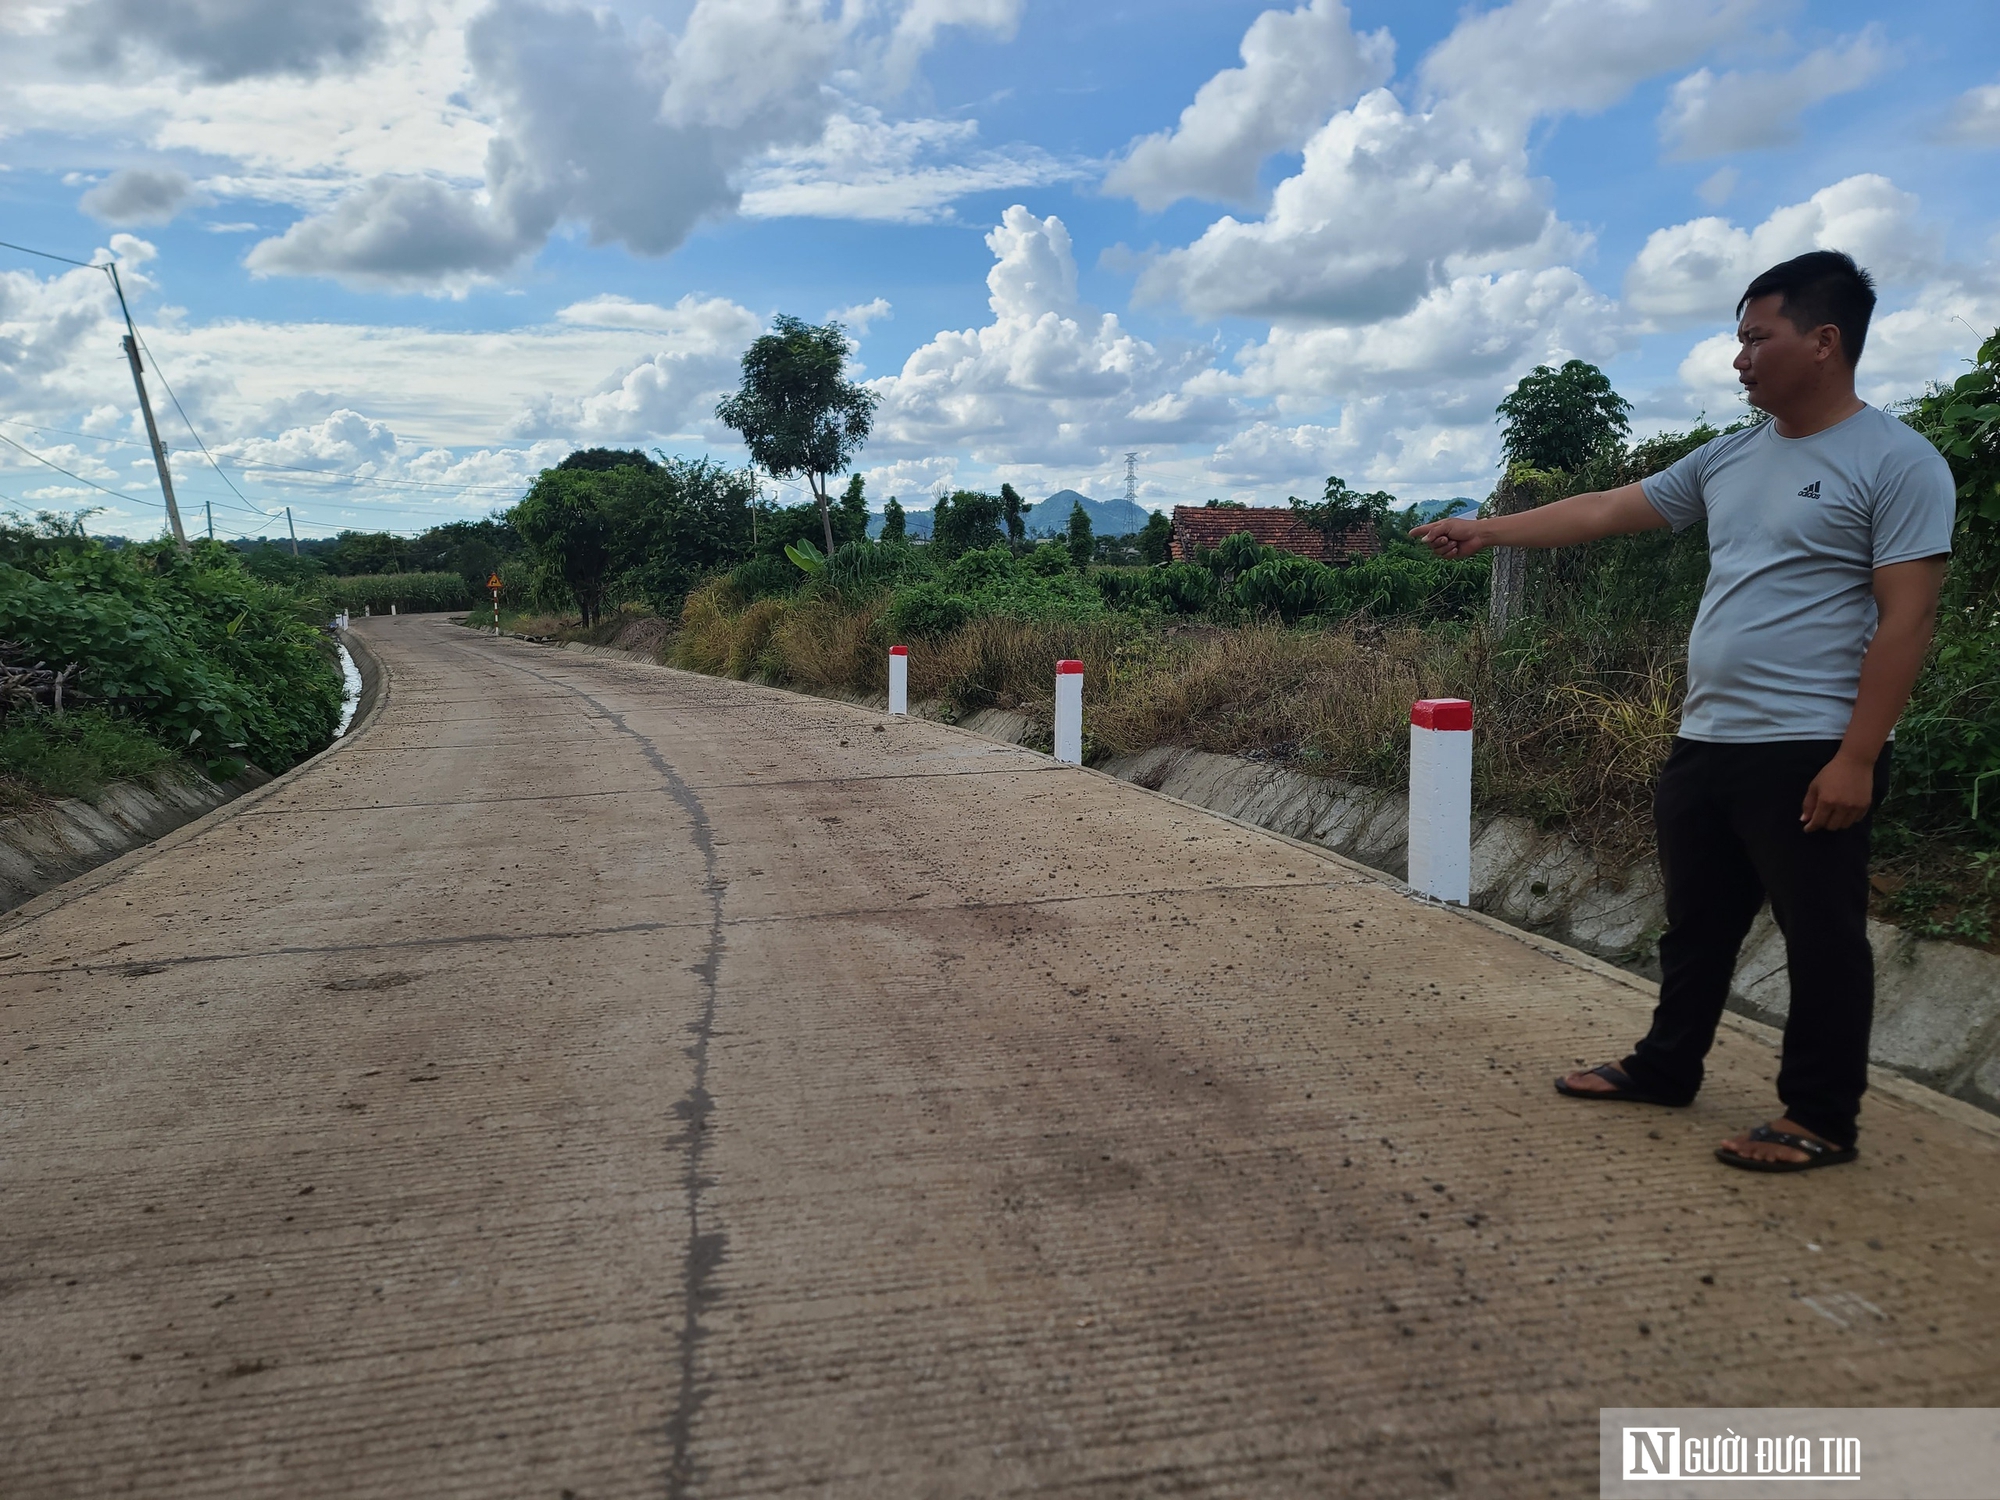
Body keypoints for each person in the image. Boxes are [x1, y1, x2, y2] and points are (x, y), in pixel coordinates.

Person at [1412, 250, 1955, 1174]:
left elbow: (1907, 620)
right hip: (1709, 737)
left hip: (1810, 743)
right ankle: (1667, 1067)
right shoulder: (1734, 453)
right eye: (1737, 339)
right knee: (1696, 924)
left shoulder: (1896, 462)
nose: (1739, 358)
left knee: (1820, 937)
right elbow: (1606, 510)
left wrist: (1858, 756)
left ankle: (1820, 1116)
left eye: (1756, 337)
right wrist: (1489, 528)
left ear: (1824, 342)